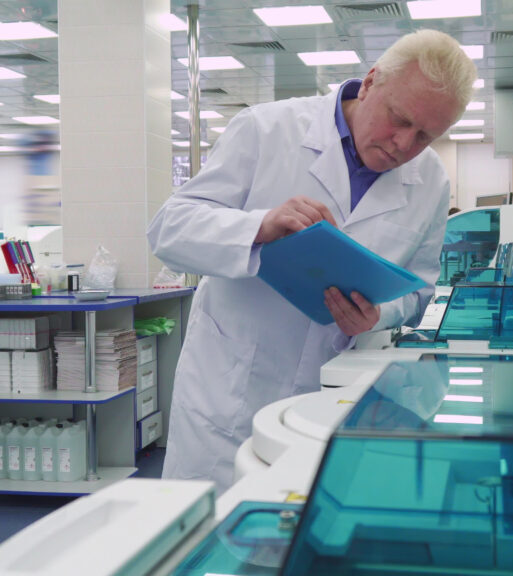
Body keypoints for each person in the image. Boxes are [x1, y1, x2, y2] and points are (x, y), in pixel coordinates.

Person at [147, 29, 477, 495]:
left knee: (300, 542)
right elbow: (169, 229)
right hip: (228, 395)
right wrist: (258, 226)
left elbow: (420, 290)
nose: (404, 144)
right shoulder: (266, 129)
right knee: (205, 541)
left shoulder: (431, 183)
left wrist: (381, 314)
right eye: (399, 119)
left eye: (426, 135)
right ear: (370, 82)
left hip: (329, 402)